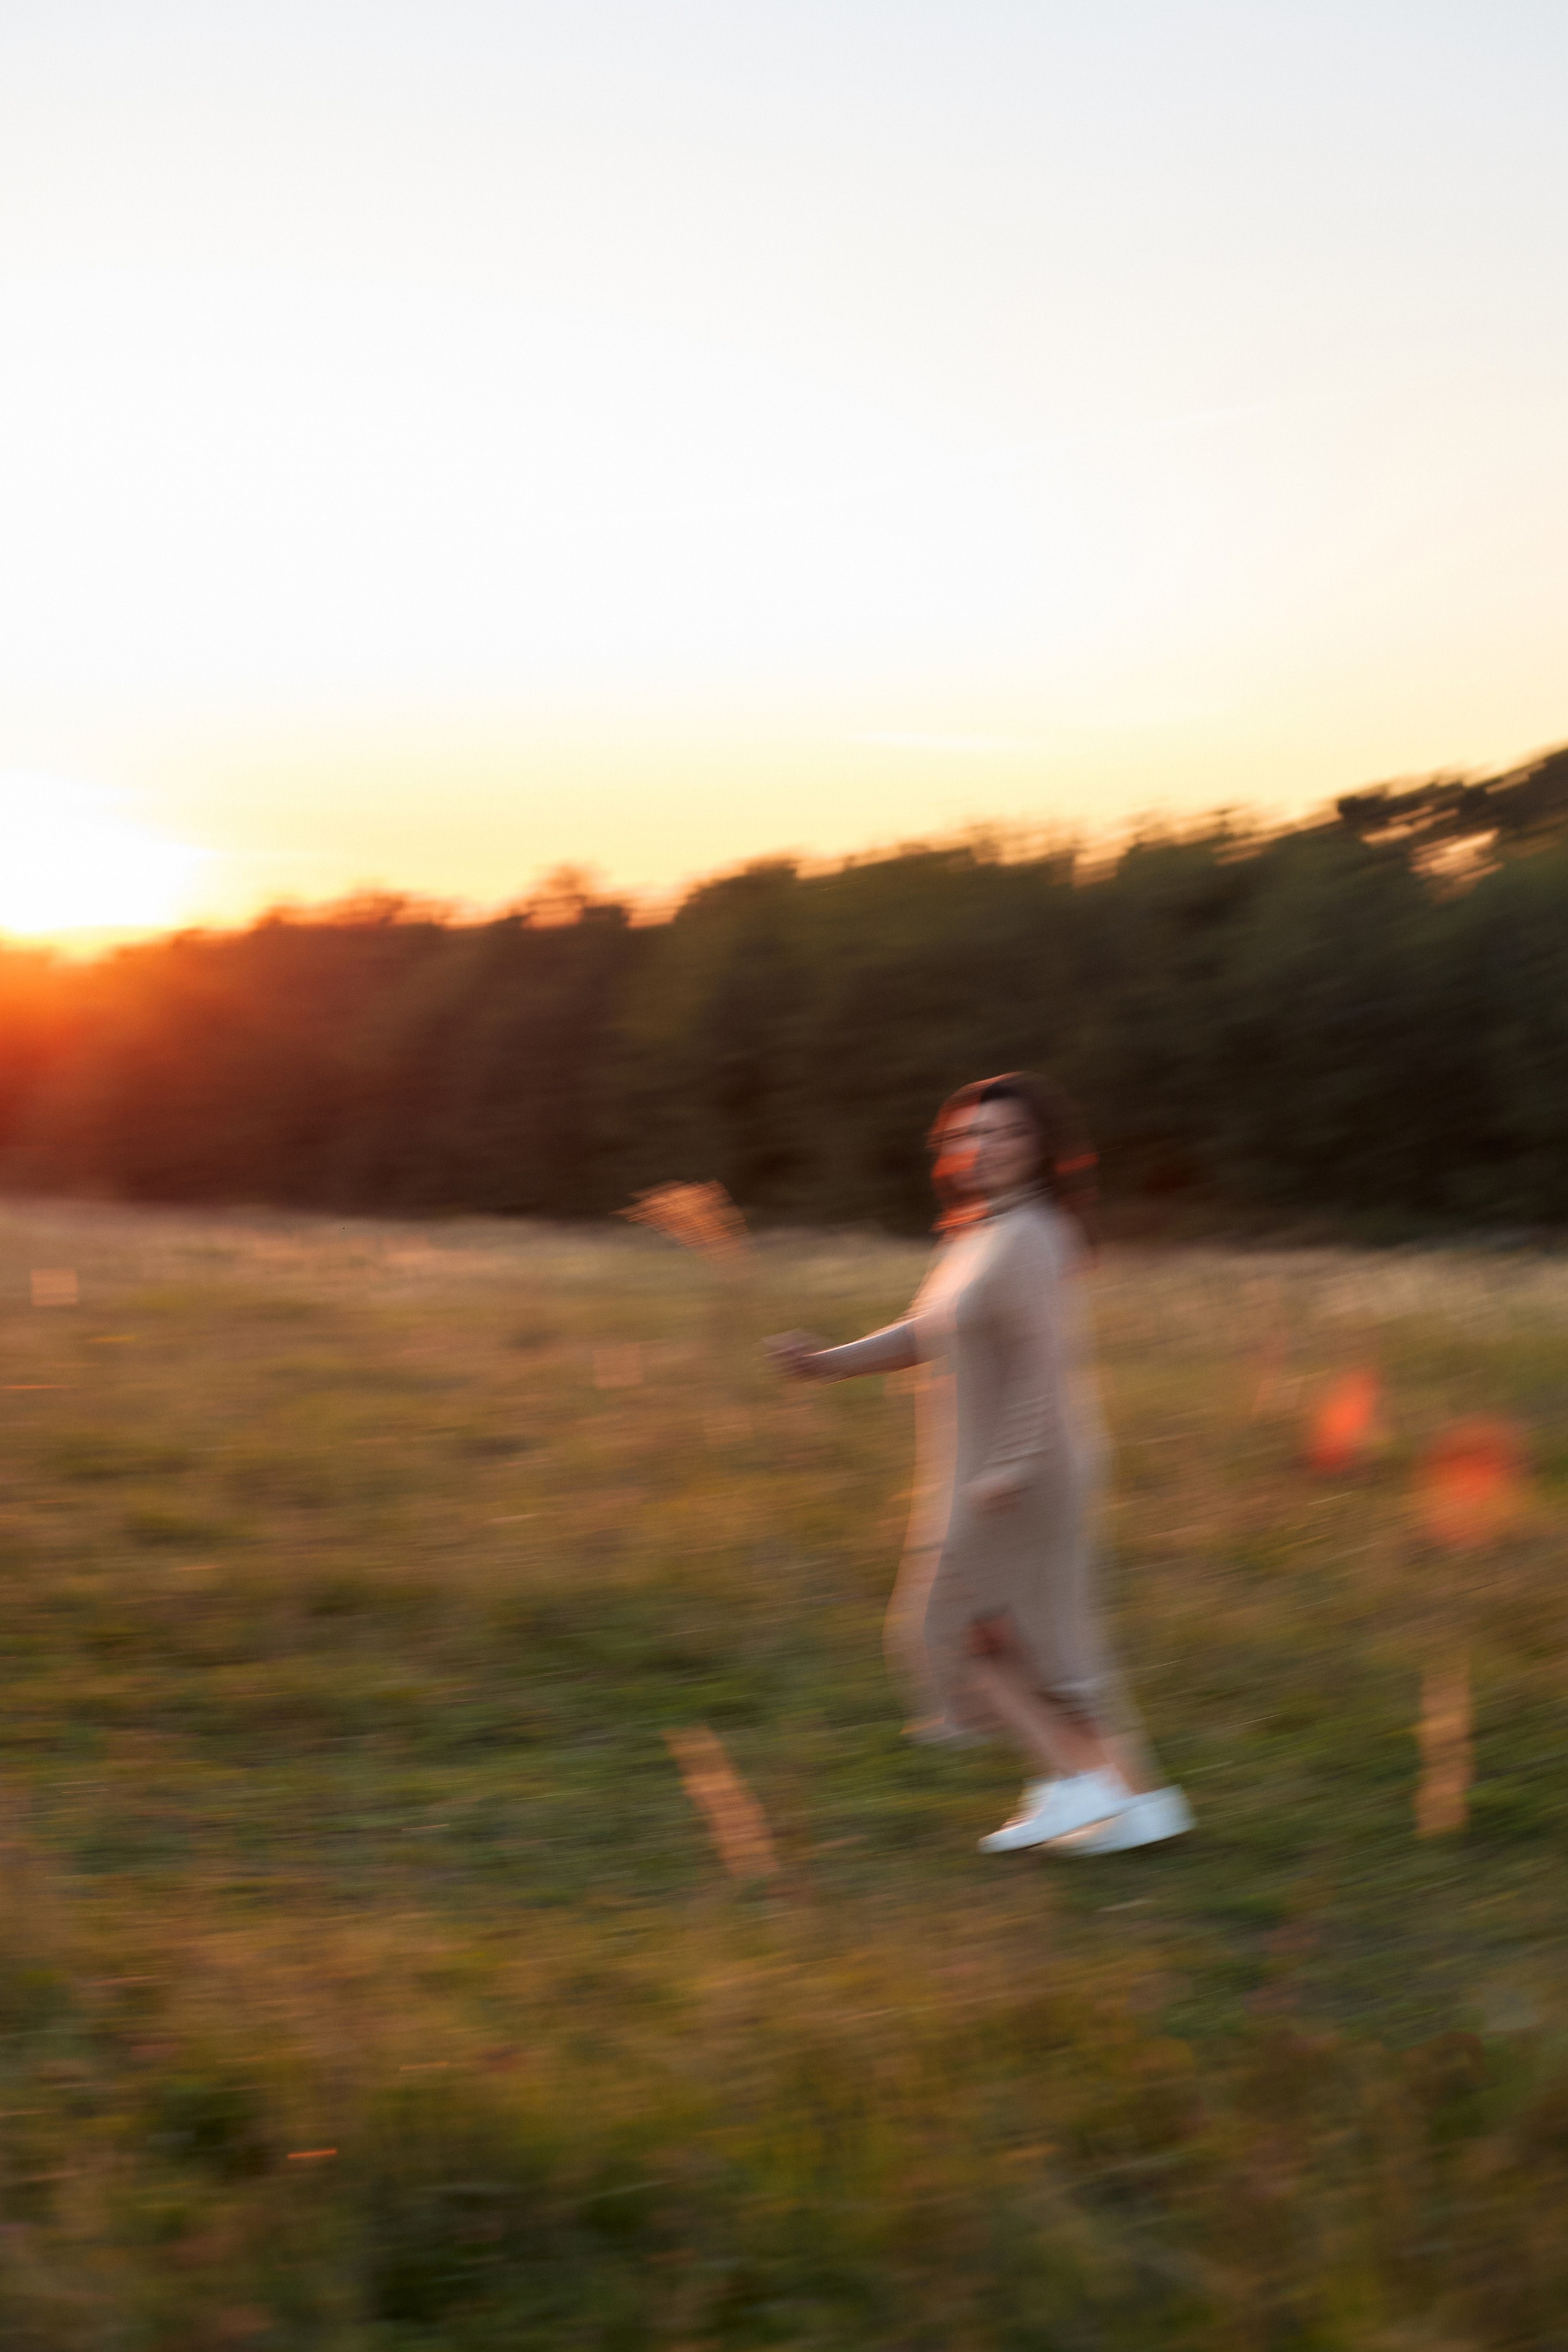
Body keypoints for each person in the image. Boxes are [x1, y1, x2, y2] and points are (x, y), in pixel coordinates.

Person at [766, 1072, 1190, 1855]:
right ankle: (1139, 1802)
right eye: (970, 1134)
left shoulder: (1030, 1234)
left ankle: (1077, 1783)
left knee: (950, 1628)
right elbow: (923, 1333)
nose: (983, 1149)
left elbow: (1045, 1363)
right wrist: (827, 1364)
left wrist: (1012, 1465)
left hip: (1020, 1472)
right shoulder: (980, 1233)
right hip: (990, 1467)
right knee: (1031, 1642)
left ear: (1040, 1149)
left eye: (1006, 1134)